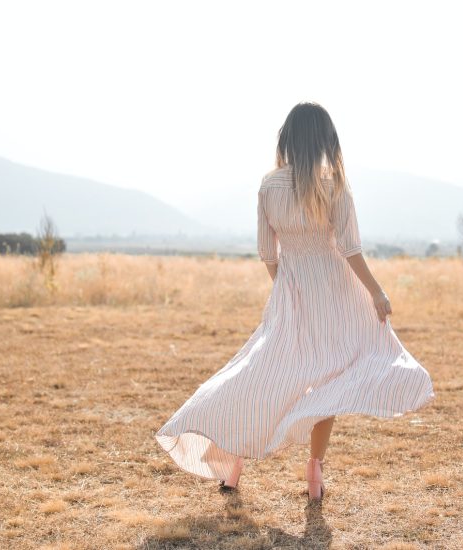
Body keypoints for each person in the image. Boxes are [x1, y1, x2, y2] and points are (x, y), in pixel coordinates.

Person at [155, 101, 435, 501]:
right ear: (324, 140)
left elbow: (268, 253)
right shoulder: (334, 184)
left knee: (263, 373)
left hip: (291, 291)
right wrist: (376, 291)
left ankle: (233, 464)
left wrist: (286, 290)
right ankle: (314, 472)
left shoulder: (268, 187)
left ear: (287, 138)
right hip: (336, 293)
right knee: (331, 378)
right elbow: (351, 248)